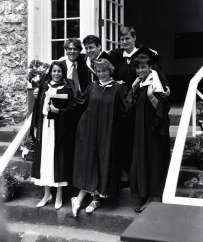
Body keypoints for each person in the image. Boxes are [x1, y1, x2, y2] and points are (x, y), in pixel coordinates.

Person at [109, 27, 170, 183]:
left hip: (143, 105)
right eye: (122, 39)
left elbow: (157, 76)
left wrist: (165, 89)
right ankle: (126, 175)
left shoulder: (146, 56)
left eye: (127, 38)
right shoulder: (116, 57)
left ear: (134, 38)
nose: (124, 42)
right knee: (124, 139)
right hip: (125, 104)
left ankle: (141, 177)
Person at [69, 58, 129, 217]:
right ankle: (87, 199)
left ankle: (93, 199)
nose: (101, 74)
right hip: (89, 130)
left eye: (104, 70)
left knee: (102, 161)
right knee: (90, 162)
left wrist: (135, 88)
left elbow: (126, 108)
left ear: (110, 70)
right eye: (98, 71)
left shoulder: (119, 88)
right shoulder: (93, 87)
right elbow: (79, 103)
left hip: (107, 132)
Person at [128, 46, 171, 213]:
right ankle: (145, 196)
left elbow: (162, 108)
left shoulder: (156, 82)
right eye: (138, 67)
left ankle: (154, 197)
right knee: (142, 160)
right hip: (140, 129)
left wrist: (152, 96)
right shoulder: (139, 82)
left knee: (153, 161)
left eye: (143, 67)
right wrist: (133, 89)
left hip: (154, 131)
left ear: (150, 67)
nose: (140, 70)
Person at [30, 61, 77, 210]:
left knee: (57, 159)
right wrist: (35, 126)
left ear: (63, 73)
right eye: (54, 71)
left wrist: (58, 111)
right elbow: (37, 108)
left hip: (58, 129)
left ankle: (59, 195)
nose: (56, 74)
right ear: (50, 72)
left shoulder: (67, 88)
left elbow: (71, 110)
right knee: (45, 159)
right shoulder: (44, 86)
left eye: (59, 71)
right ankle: (47, 194)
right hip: (45, 127)